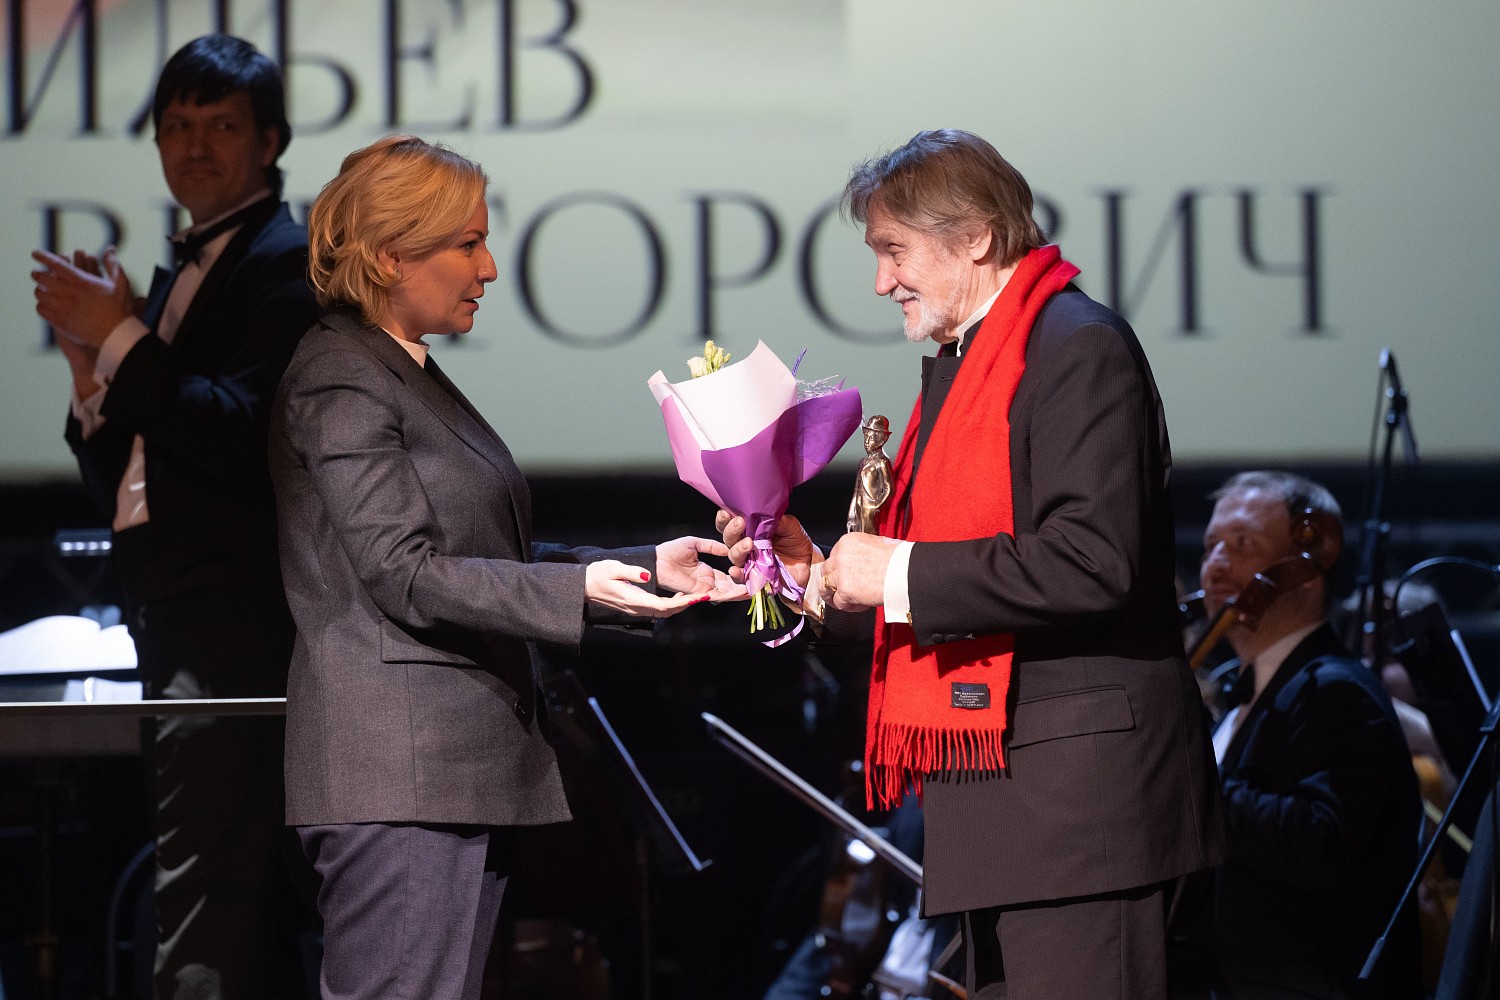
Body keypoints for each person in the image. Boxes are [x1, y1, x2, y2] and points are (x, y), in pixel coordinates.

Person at [723, 129, 1224, 999]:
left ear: (978, 238)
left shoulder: (1076, 346)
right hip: (1003, 819)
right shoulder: (968, 367)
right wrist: (816, 578)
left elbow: (1093, 561)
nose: (881, 281)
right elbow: (940, 587)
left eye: (894, 251)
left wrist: (897, 573)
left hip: (1082, 821)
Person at [270, 135, 738, 1000]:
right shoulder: (342, 374)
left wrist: (642, 567)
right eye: (468, 243)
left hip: (445, 775)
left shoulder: (401, 370)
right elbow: (404, 571)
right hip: (402, 775)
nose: (489, 268)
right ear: (390, 255)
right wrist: (576, 588)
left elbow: (479, 557)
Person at [30, 35, 319, 999]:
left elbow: (239, 437)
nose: (193, 146)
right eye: (175, 126)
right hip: (178, 622)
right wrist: (91, 370)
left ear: (270, 141)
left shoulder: (286, 264)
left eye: (220, 125)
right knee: (229, 916)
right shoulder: (183, 278)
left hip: (240, 633)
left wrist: (119, 335)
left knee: (213, 921)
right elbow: (136, 479)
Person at [1197, 470, 1422, 998]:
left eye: (1243, 544)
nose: (1216, 565)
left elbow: (1322, 842)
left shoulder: (1335, 692)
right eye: (1211, 546)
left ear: (1308, 567)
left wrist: (1191, 782)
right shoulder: (1245, 689)